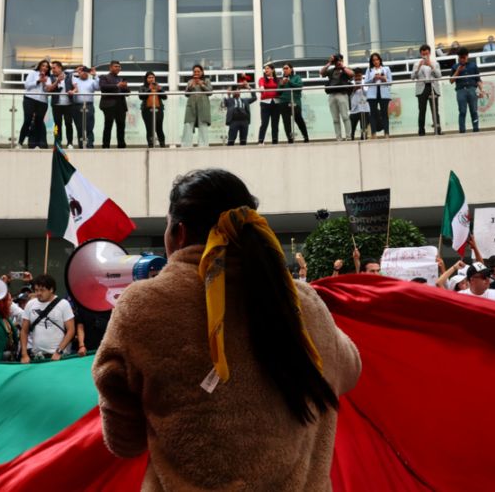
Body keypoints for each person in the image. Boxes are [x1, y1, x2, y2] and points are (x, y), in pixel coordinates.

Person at [93, 168, 361, 490]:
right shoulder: (304, 303)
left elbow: (125, 442)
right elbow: (350, 370)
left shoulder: (142, 307)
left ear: (178, 232)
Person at [20, 274, 75, 362]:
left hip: (58, 357)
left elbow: (71, 330)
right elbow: (24, 331)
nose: (38, 293)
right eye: (36, 290)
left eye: (42, 290)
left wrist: (59, 351)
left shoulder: (64, 304)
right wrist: (24, 354)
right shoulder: (30, 304)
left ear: (51, 289)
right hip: (36, 356)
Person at [320, 53, 354, 141]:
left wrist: (342, 67)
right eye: (336, 61)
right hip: (332, 95)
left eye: (339, 60)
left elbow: (351, 74)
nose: (337, 62)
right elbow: (322, 72)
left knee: (345, 116)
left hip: (342, 94)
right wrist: (329, 63)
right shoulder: (331, 70)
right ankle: (338, 137)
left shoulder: (345, 69)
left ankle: (348, 136)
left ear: (342, 60)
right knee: (335, 119)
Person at [450, 47, 483, 133]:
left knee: (474, 111)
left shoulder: (473, 65)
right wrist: (458, 71)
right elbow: (451, 81)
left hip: (472, 89)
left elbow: (478, 79)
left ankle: (476, 129)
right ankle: (462, 130)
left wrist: (481, 90)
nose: (462, 60)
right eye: (460, 58)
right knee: (462, 111)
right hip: (460, 90)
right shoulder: (455, 66)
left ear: (467, 56)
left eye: (464, 57)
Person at [412, 44, 442, 136]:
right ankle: (421, 131)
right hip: (422, 88)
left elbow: (439, 76)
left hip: (433, 87)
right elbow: (412, 77)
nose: (425, 55)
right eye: (423, 54)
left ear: (429, 53)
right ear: (421, 54)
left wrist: (431, 66)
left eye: (427, 53)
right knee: (422, 110)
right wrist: (418, 68)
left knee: (435, 110)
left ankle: (437, 130)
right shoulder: (416, 64)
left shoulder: (435, 63)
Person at [98, 60, 130, 149]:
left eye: (119, 67)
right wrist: (117, 85)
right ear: (110, 67)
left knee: (121, 125)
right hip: (109, 105)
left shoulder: (121, 79)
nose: (118, 68)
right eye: (116, 66)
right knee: (108, 125)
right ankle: (106, 145)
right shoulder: (104, 77)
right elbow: (103, 88)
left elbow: (128, 93)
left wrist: (124, 87)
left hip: (121, 105)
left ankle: (121, 145)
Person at [20, 60, 51, 149]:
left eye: (46, 66)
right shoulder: (33, 73)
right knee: (27, 120)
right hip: (30, 99)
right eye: (43, 66)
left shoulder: (48, 78)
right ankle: (20, 142)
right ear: (39, 66)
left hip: (42, 101)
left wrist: (44, 82)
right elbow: (27, 86)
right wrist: (38, 81)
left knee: (39, 122)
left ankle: (37, 144)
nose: (45, 68)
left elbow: (47, 90)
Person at [182, 64, 212, 148]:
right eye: (195, 71)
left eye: (198, 71)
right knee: (188, 123)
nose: (196, 73)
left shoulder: (206, 80)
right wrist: (191, 86)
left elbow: (210, 92)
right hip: (191, 105)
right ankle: (186, 145)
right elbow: (186, 94)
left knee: (203, 124)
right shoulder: (190, 81)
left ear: (202, 72)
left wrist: (202, 85)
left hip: (203, 105)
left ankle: (203, 145)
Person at [278, 63, 308, 143]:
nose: (285, 70)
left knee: (298, 119)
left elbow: (299, 87)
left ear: (291, 69)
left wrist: (289, 82)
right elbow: (278, 93)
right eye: (283, 68)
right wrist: (282, 85)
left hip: (295, 102)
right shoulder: (281, 79)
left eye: (286, 68)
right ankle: (290, 139)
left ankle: (305, 136)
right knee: (286, 121)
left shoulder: (296, 77)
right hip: (284, 102)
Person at [47, 61, 74, 148]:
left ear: (60, 68)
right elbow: (49, 89)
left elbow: (75, 88)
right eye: (52, 68)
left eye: (54, 68)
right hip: (56, 104)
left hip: (68, 104)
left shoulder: (69, 76)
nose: (52, 70)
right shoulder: (50, 77)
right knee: (57, 124)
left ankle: (70, 142)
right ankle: (58, 142)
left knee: (68, 123)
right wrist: (57, 81)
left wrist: (72, 91)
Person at [365, 53, 392, 138]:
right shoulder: (369, 70)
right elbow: (365, 82)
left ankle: (386, 133)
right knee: (372, 114)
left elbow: (390, 82)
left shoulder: (386, 69)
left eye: (377, 59)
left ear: (380, 60)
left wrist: (383, 78)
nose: (375, 61)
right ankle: (373, 134)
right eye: (373, 60)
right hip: (372, 94)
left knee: (384, 114)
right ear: (371, 62)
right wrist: (373, 79)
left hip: (384, 94)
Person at [72, 66, 99, 149]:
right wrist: (75, 71)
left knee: (89, 126)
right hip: (77, 105)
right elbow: (66, 75)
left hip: (89, 105)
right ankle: (81, 145)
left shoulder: (92, 81)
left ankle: (90, 144)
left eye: (85, 71)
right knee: (79, 126)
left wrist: (95, 75)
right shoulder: (75, 80)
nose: (84, 73)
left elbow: (98, 87)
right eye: (82, 71)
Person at [222, 82, 256, 146]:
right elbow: (223, 103)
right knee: (231, 141)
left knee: (243, 141)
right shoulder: (230, 100)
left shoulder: (245, 100)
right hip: (234, 121)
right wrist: (228, 94)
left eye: (238, 90)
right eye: (235, 90)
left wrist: (250, 88)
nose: (237, 91)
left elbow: (254, 98)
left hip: (244, 121)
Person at [138, 71, 166, 148]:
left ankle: (162, 145)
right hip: (147, 111)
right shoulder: (142, 87)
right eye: (149, 77)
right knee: (149, 129)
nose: (151, 79)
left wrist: (160, 89)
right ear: (146, 79)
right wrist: (149, 89)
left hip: (158, 110)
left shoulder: (158, 86)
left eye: (153, 77)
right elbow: (141, 97)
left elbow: (165, 97)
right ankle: (150, 145)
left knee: (159, 128)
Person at [256, 64, 280, 145]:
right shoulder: (262, 79)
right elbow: (261, 84)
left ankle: (275, 140)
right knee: (264, 123)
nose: (266, 70)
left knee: (275, 123)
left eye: (268, 68)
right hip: (265, 103)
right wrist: (262, 87)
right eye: (265, 69)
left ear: (272, 70)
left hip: (276, 103)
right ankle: (260, 140)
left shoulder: (277, 80)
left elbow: (280, 88)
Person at [349, 69, 371, 141]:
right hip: (354, 110)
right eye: (356, 76)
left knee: (364, 127)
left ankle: (363, 138)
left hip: (365, 108)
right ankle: (351, 138)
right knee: (352, 127)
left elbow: (368, 95)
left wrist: (362, 88)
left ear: (362, 76)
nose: (357, 78)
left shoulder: (366, 83)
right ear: (353, 76)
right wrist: (354, 90)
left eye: (359, 76)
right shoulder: (350, 84)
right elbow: (348, 97)